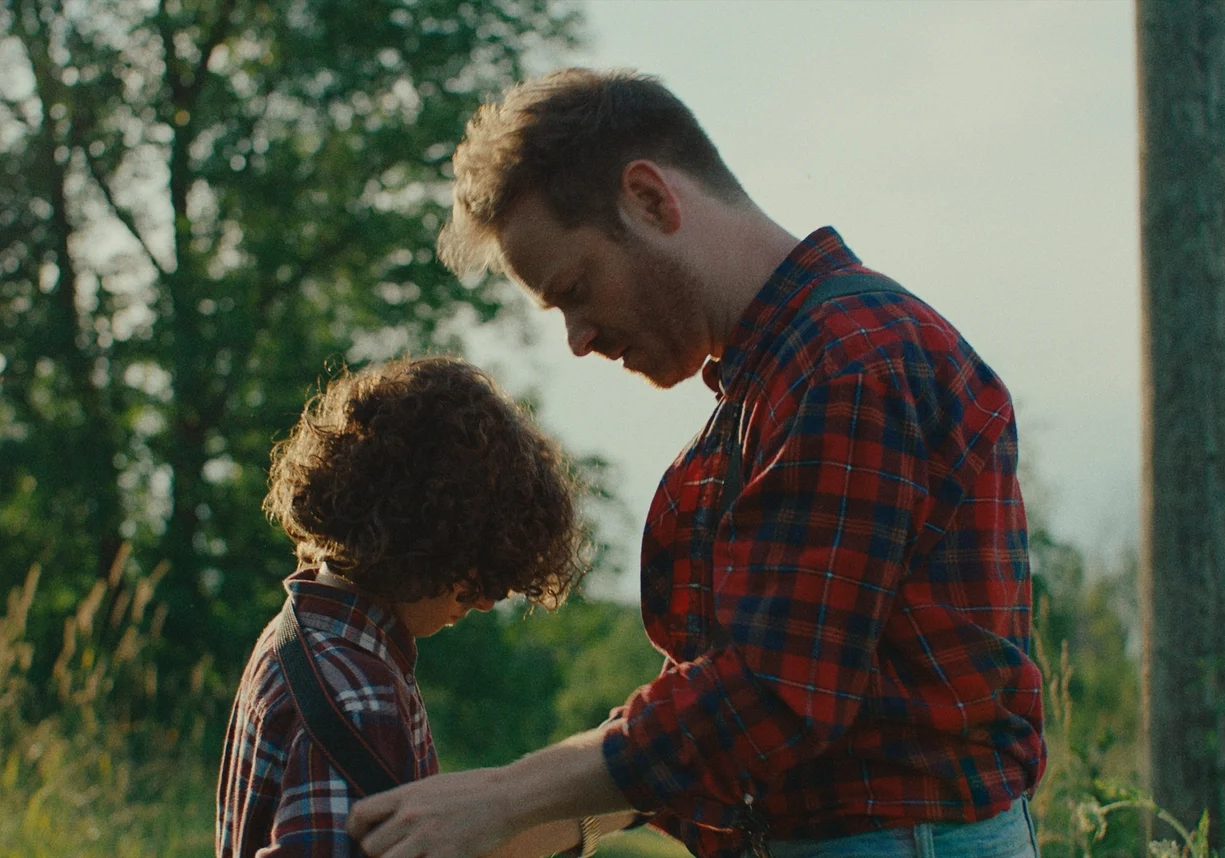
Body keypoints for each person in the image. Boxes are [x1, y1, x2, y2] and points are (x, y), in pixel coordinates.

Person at [348, 69, 1046, 858]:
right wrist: (542, 823)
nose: (576, 339)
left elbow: (776, 695)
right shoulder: (773, 389)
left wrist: (504, 798)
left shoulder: (852, 364)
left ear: (650, 200)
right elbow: (718, 719)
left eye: (577, 288)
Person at [216, 355, 606, 858]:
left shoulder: (297, 633)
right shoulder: (358, 698)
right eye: (477, 573)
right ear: (425, 537)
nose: (486, 602)